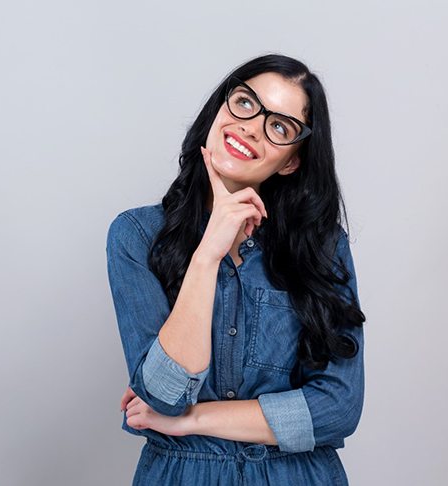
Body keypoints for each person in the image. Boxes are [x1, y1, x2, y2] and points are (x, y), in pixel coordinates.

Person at [106, 53, 366, 485]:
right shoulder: (136, 235)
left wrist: (192, 421)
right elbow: (165, 394)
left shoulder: (323, 246)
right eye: (246, 103)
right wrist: (208, 253)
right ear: (221, 107)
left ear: (291, 162)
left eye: (279, 127)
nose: (250, 126)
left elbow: (337, 408)